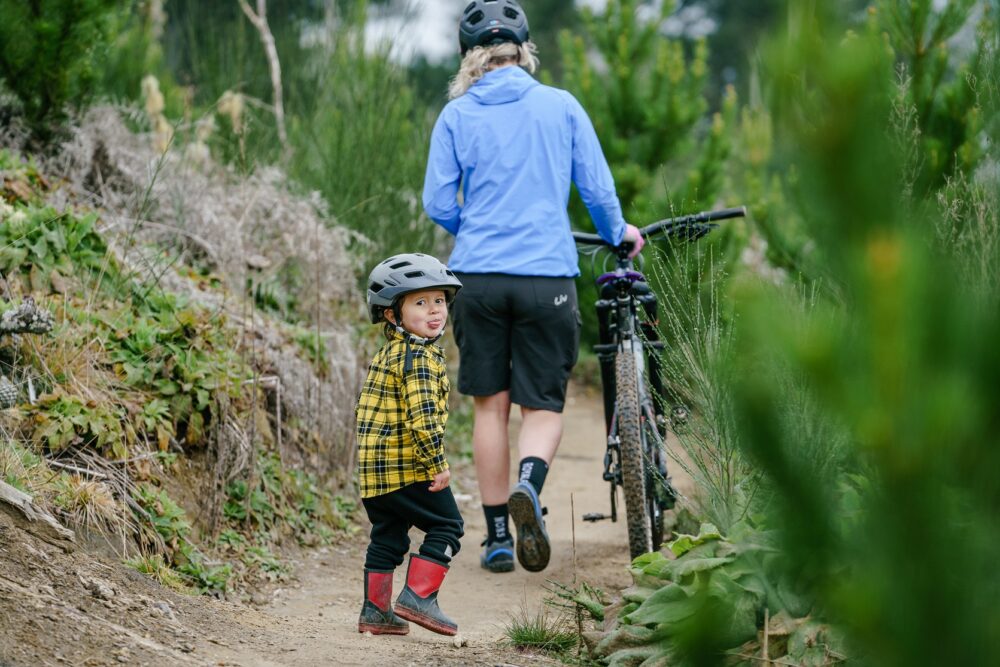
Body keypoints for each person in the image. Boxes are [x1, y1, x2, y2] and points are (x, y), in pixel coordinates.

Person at [422, 0, 643, 574]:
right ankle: (530, 481)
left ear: (472, 58)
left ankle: (497, 538)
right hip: (548, 276)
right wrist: (618, 234)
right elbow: (597, 191)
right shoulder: (562, 107)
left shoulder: (457, 115)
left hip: (478, 278)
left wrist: (478, 229)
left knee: (490, 408)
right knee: (542, 407)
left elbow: (438, 203)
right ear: (524, 52)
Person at [355, 253, 465, 637]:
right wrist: (437, 463)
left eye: (439, 301)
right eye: (420, 303)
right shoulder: (419, 357)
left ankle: (375, 611)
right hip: (407, 468)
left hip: (375, 475)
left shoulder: (388, 353)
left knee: (388, 534)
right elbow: (423, 419)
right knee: (448, 525)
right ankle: (418, 597)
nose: (434, 311)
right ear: (391, 314)